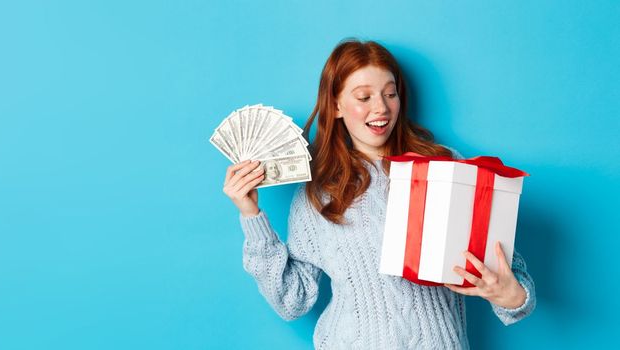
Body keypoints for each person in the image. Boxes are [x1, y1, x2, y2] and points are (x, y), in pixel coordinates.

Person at [221, 38, 536, 349]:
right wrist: (251, 215)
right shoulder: (318, 194)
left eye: (390, 93)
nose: (382, 108)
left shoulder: (447, 168)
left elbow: (507, 272)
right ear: (336, 105)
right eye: (364, 96)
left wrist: (513, 296)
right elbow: (293, 300)